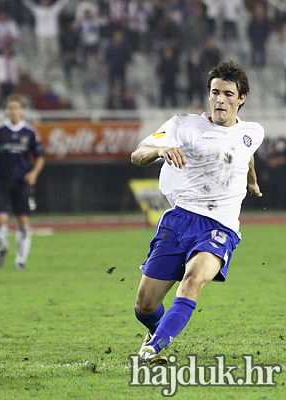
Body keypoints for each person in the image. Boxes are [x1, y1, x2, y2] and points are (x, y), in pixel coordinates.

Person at [130, 60, 263, 364]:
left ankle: (152, 350)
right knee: (144, 306)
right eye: (215, 92)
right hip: (180, 219)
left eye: (228, 94)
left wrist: (252, 182)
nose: (220, 99)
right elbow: (137, 155)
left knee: (193, 280)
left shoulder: (253, 132)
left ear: (241, 98)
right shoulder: (184, 125)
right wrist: (160, 151)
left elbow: (247, 154)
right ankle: (157, 332)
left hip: (220, 226)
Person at [0, 94, 45, 270]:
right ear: (6, 111)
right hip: (1, 181)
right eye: (10, 108)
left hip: (22, 182)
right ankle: (3, 247)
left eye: (16, 107)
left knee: (23, 221)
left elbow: (40, 158)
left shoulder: (30, 132)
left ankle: (21, 260)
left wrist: (34, 173)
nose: (13, 111)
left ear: (22, 110)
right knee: (0, 219)